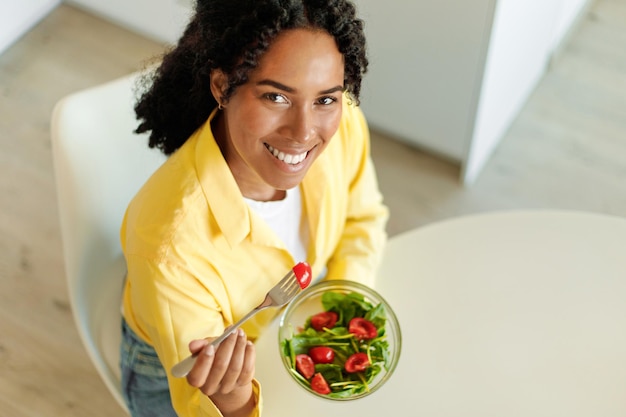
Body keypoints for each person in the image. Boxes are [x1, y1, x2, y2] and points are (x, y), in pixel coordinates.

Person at [119, 0, 389, 416]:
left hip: (283, 336)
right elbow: (200, 401)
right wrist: (235, 401)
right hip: (178, 374)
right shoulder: (169, 249)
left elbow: (362, 218)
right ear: (222, 87)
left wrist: (341, 310)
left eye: (325, 100)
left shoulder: (344, 122)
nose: (303, 132)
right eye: (276, 96)